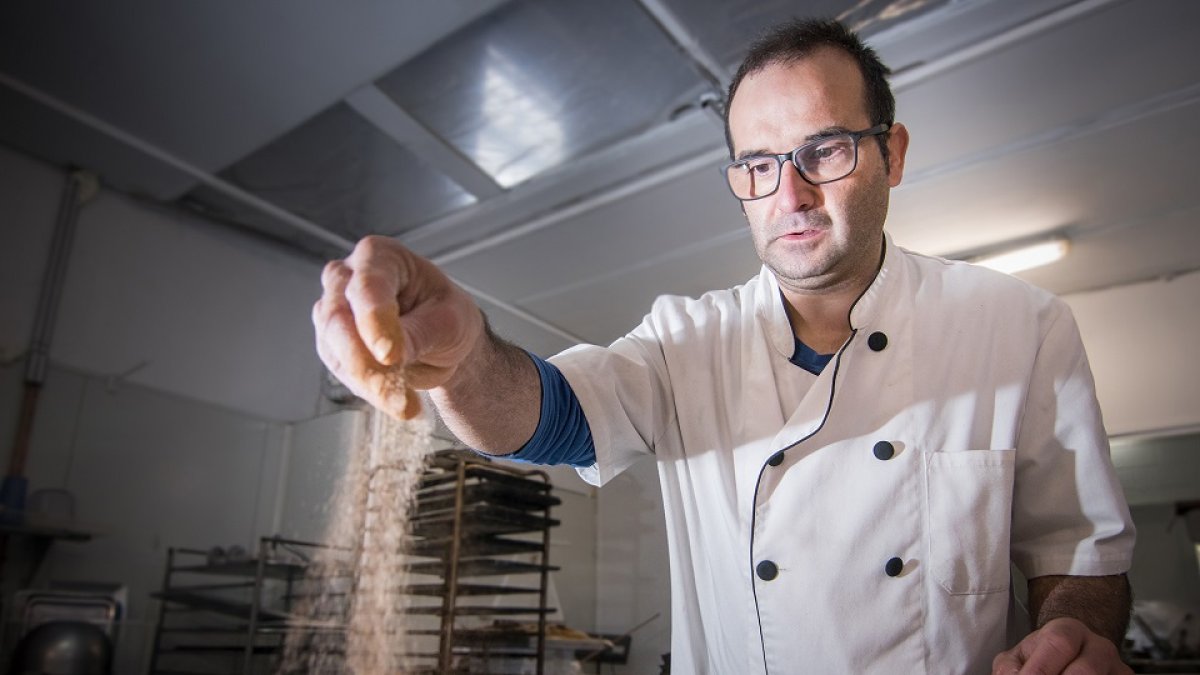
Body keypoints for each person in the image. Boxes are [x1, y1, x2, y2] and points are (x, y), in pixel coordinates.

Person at [312, 18, 1135, 675]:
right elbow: (548, 416)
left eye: (826, 150)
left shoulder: (1018, 326)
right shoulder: (687, 341)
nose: (792, 193)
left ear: (893, 153)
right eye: (759, 164)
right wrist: (461, 359)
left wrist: (1069, 632)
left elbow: (1079, 556)